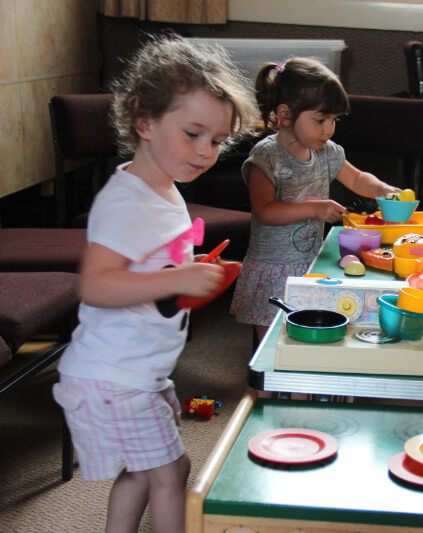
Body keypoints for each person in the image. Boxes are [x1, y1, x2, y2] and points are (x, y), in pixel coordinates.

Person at [52, 36, 259, 533]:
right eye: (192, 133)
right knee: (170, 473)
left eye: (217, 140)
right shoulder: (127, 202)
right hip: (113, 376)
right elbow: (96, 286)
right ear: (144, 122)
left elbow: (157, 272)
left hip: (137, 371)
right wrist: (182, 275)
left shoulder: (161, 189)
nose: (206, 151)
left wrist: (190, 271)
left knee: (148, 473)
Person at [231, 57, 400, 340]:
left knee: (303, 335)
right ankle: (260, 386)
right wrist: (316, 208)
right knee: (271, 341)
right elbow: (265, 211)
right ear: (285, 115)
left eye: (334, 120)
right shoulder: (267, 156)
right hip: (273, 267)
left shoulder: (326, 152)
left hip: (310, 261)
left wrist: (384, 190)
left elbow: (357, 179)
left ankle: (296, 385)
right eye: (320, 120)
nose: (329, 130)